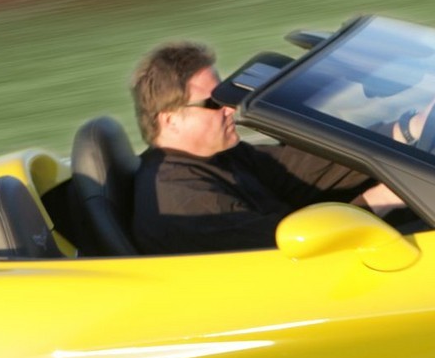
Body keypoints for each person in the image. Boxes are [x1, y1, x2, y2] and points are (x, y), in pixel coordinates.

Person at [127, 40, 402, 256]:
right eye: (213, 103)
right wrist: (380, 200)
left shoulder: (218, 156)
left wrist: (403, 132)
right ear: (171, 120)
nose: (230, 108)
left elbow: (300, 171)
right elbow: (297, 253)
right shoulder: (189, 202)